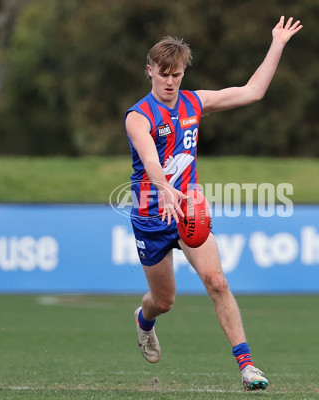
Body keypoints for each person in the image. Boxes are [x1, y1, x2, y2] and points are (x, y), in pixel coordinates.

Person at [125, 16, 302, 391]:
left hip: (189, 213)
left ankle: (247, 366)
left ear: (184, 73)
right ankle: (144, 320)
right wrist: (164, 188)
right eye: (163, 73)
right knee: (164, 300)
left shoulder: (194, 102)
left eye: (177, 74)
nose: (170, 81)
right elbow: (151, 160)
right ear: (150, 72)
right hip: (151, 217)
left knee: (217, 282)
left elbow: (252, 92)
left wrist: (277, 44)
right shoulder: (138, 117)